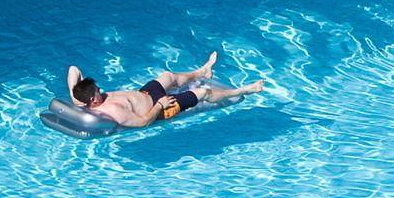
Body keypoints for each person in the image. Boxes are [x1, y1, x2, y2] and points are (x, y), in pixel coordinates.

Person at [59, 57, 264, 128]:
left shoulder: (81, 99)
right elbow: (142, 122)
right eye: (98, 90)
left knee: (168, 76)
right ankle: (246, 89)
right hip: (162, 108)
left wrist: (74, 91)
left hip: (146, 93)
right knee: (204, 92)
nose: (101, 90)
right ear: (94, 100)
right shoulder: (113, 111)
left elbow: (73, 70)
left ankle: (202, 71)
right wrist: (160, 105)